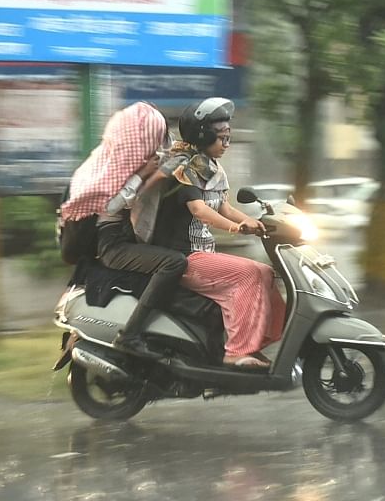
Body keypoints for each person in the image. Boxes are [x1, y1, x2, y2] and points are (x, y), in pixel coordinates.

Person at [145, 97, 286, 370]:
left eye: (228, 137)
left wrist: (258, 223)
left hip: (203, 254)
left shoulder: (210, 168)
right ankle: (236, 352)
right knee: (250, 273)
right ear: (203, 135)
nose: (226, 144)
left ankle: (258, 342)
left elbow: (223, 206)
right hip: (183, 257)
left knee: (267, 273)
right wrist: (236, 228)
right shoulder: (183, 168)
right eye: (221, 138)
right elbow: (199, 209)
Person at [59, 102, 187, 357]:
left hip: (120, 239)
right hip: (113, 243)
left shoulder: (107, 161)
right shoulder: (114, 169)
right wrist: (144, 175)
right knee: (173, 263)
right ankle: (129, 336)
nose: (158, 147)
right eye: (153, 139)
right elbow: (112, 204)